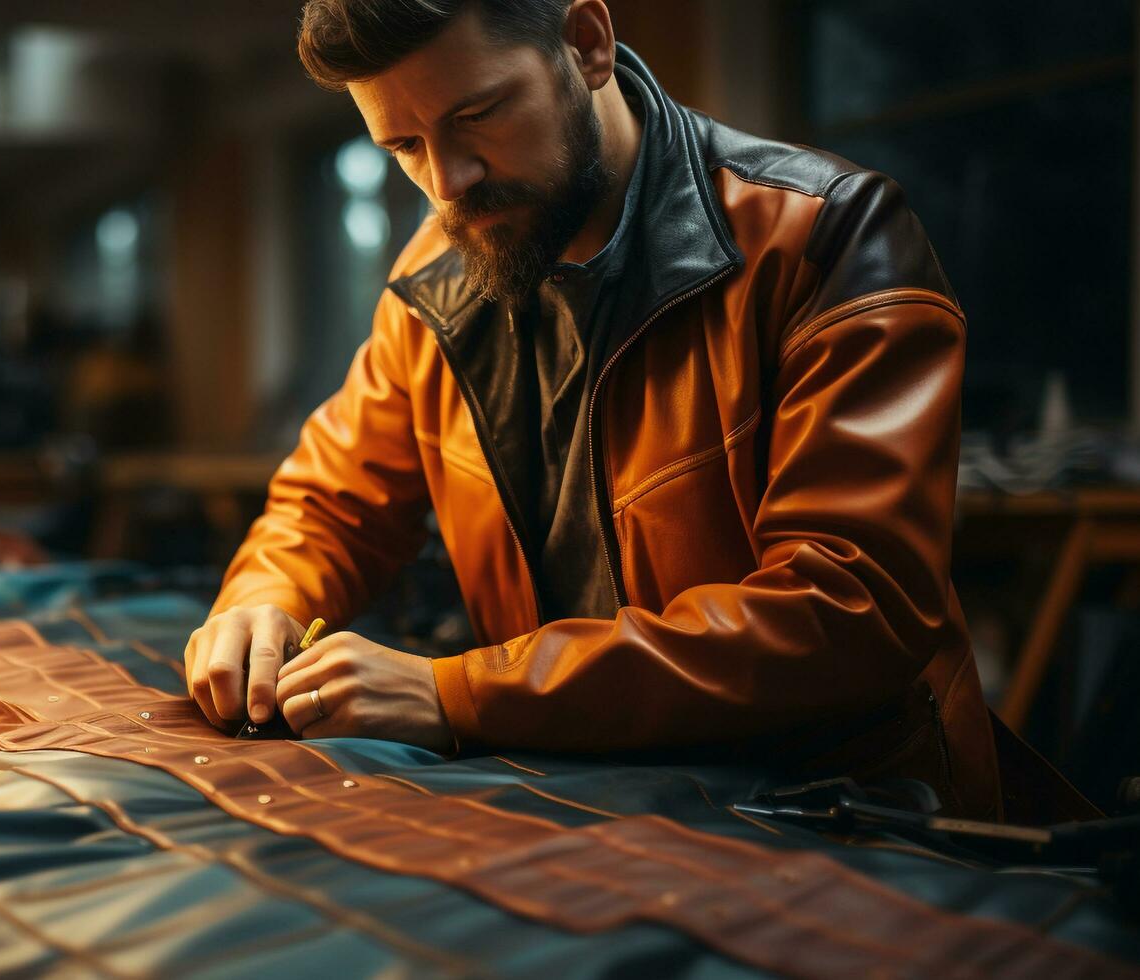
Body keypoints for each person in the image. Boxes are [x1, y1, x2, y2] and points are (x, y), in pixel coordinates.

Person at [185, 0, 1004, 817]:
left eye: (477, 114)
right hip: (572, 792)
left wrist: (461, 691)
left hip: (835, 811)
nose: (447, 182)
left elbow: (847, 615)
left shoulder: (828, 237)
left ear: (585, 45)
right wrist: (264, 601)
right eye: (402, 146)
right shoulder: (439, 271)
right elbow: (329, 505)